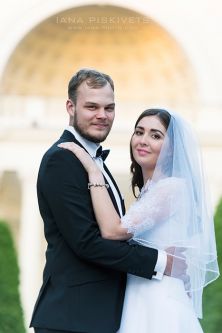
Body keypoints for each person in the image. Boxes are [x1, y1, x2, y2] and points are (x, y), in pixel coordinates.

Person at [30, 70, 181, 333]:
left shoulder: (96, 162)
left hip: (102, 317)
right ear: (70, 107)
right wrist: (161, 261)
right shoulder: (61, 159)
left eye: (109, 108)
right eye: (92, 107)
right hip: (72, 318)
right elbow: (87, 242)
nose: (102, 115)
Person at [59, 108, 220, 332]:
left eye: (156, 136)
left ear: (173, 149)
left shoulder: (171, 188)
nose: (143, 141)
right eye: (139, 132)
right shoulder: (151, 190)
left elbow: (113, 231)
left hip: (158, 302)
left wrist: (94, 172)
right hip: (140, 297)